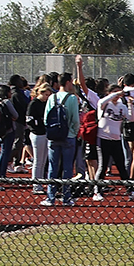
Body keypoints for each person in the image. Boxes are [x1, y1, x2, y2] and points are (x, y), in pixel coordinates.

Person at [42, 73, 79, 207]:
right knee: (67, 168)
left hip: (53, 136)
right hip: (68, 136)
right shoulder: (72, 98)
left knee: (53, 167)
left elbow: (46, 118)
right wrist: (73, 132)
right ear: (68, 82)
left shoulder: (52, 97)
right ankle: (66, 197)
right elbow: (75, 119)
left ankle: (50, 197)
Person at [27, 82, 51, 194]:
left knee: (43, 160)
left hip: (44, 133)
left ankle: (40, 182)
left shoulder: (44, 103)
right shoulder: (34, 103)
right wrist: (39, 123)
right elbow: (29, 120)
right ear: (40, 93)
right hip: (37, 134)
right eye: (46, 94)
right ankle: (36, 185)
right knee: (38, 160)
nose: (47, 97)